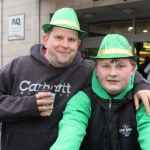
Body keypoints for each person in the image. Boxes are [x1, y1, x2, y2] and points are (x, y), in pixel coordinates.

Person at [0, 7, 150, 150]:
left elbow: (119, 70)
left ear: (78, 44)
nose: (65, 45)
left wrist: (142, 86)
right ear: (46, 39)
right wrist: (27, 105)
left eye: (71, 39)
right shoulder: (17, 66)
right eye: (59, 37)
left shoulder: (85, 69)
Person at [50, 34, 150, 150]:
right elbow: (69, 134)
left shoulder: (143, 100)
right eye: (106, 66)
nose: (113, 73)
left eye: (120, 66)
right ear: (96, 69)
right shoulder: (82, 100)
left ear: (133, 69)